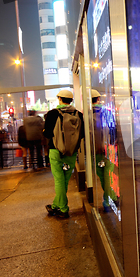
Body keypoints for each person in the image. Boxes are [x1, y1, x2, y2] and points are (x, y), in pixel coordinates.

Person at [43, 90, 84, 218]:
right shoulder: (79, 114)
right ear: (71, 100)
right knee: (65, 179)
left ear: (59, 98)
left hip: (56, 151)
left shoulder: (52, 114)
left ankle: (63, 209)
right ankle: (55, 205)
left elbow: (47, 134)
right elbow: (81, 134)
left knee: (59, 180)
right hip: (71, 153)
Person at [92, 90, 117, 212]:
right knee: (108, 174)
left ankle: (109, 197)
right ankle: (109, 199)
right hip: (109, 148)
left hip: (95, 149)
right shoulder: (107, 112)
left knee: (101, 175)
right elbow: (113, 130)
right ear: (98, 99)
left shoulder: (86, 114)